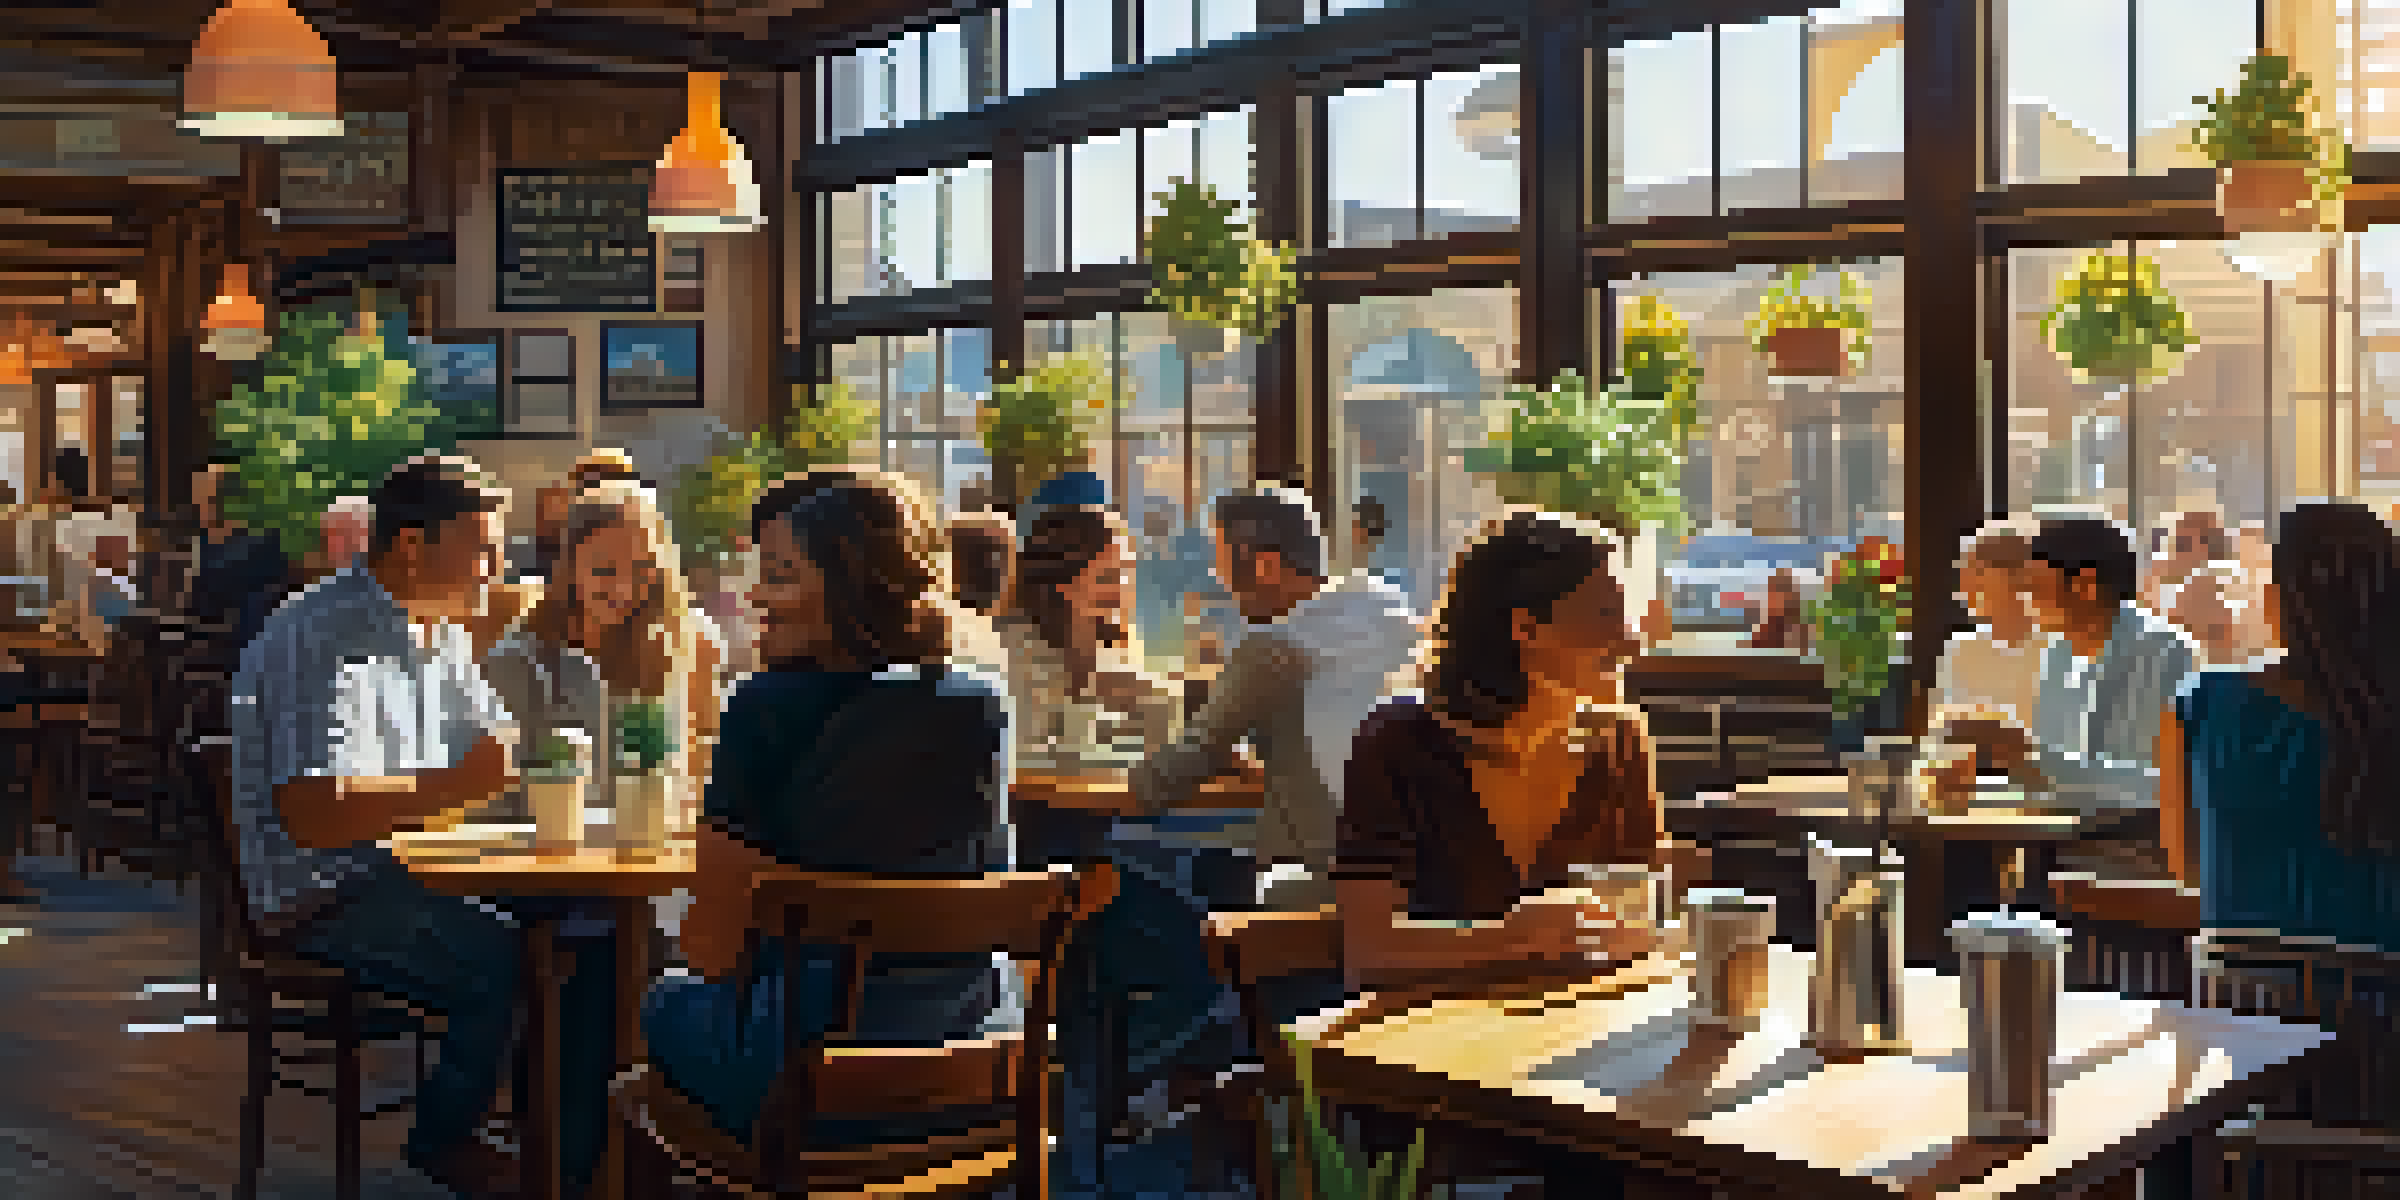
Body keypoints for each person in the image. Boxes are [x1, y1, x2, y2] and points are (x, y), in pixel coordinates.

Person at [228, 455, 619, 1199]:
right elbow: (313, 811)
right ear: (411, 544)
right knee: (499, 958)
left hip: (406, 869)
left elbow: (488, 749)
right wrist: (462, 782)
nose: (499, 566)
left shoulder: (438, 630)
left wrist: (521, 750)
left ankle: (570, 1160)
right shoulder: (324, 633)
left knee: (596, 929)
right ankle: (447, 1138)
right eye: (482, 548)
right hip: (321, 894)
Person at [641, 468, 1014, 1151]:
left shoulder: (762, 707)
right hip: (969, 1067)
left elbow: (714, 949)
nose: (754, 595)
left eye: (780, 574)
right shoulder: (979, 705)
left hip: (806, 1085)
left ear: (848, 588)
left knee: (655, 1001)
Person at [1335, 509, 1662, 987]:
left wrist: (1649, 934)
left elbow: (1637, 929)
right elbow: (1368, 953)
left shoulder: (1618, 741)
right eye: (1606, 615)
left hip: (1575, 1036)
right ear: (1525, 628)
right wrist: (1509, 936)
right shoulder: (1398, 743)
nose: (1633, 642)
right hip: (1425, 1040)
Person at [1135, 485, 1423, 910]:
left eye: (1220, 558)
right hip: (1417, 873)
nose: (1217, 576)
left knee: (1124, 861)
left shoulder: (1277, 647)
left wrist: (1105, 787)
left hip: (1316, 883)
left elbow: (1184, 764)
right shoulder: (1388, 610)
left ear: (1266, 564)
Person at [2160, 501, 2400, 955]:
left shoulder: (2200, 704)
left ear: (2275, 601)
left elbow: (2188, 867)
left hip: (2245, 1002)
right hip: (2386, 1009)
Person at [484, 479, 723, 820]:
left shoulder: (681, 643)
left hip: (649, 850)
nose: (623, 588)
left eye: (641, 569)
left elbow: (692, 766)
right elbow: (500, 801)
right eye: (604, 570)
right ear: (569, 567)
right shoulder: (515, 663)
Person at [1939, 517, 2196, 817]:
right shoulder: (2059, 653)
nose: (2027, 596)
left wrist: (2025, 755)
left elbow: (2158, 787)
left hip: (2133, 849)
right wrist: (1978, 786)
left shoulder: (2161, 655)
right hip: (2062, 845)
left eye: (2036, 583)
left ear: (2085, 585)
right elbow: (2052, 779)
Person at [995, 504, 1179, 759]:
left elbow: (1157, 741)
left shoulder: (1115, 645)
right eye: (1107, 577)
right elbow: (1027, 754)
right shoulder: (1014, 651)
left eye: (1126, 572)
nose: (1121, 590)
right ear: (1062, 583)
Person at [1930, 523, 2041, 725]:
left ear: (2018, 574)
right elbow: (1943, 728)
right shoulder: (1961, 647)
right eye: (1963, 572)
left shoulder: (2052, 649)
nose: (1965, 585)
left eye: (1977, 571)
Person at [188, 462, 292, 663]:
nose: (199, 506)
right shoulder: (204, 539)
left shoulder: (260, 538)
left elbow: (216, 586)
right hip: (202, 635)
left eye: (207, 500)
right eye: (197, 499)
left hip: (240, 645)